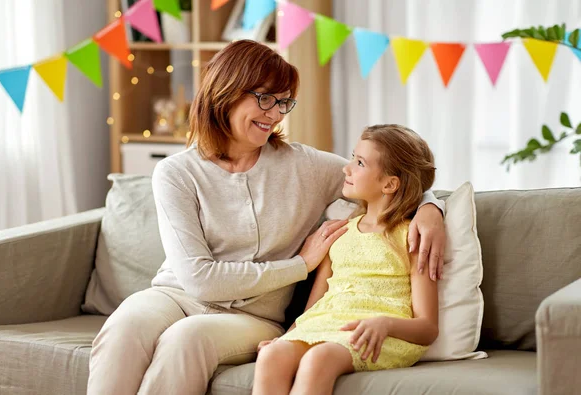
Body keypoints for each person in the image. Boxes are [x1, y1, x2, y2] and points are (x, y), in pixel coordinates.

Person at [87, 41, 445, 395]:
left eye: (284, 102)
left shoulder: (306, 166)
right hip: (175, 295)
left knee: (186, 339)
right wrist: (300, 265)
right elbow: (199, 280)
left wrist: (431, 210)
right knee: (124, 327)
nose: (275, 114)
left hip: (254, 317)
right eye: (265, 98)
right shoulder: (176, 173)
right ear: (226, 91)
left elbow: (390, 179)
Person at [252, 124, 440, 395]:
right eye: (353, 157)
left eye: (360, 162)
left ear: (389, 184)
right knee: (271, 356)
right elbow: (314, 309)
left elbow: (428, 328)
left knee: (319, 360)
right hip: (327, 324)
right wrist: (285, 338)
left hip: (380, 334)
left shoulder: (411, 237)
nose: (347, 168)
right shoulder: (339, 232)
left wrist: (384, 324)